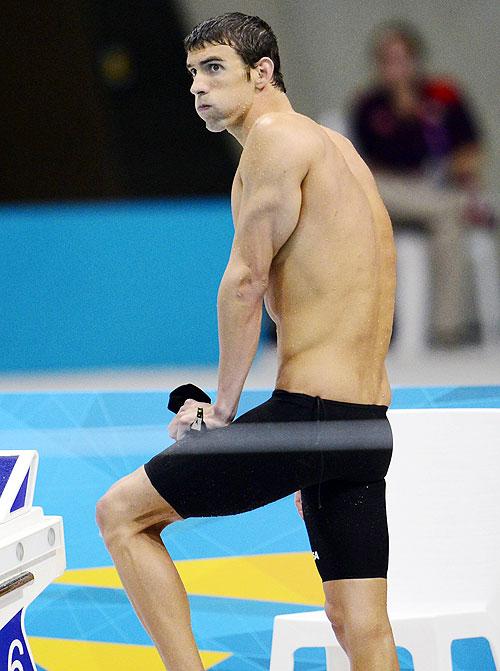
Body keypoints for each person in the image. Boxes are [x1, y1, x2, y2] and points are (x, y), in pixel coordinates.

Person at [95, 12, 399, 671]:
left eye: (213, 70)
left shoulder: (272, 142)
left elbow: (244, 283)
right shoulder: (337, 151)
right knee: (360, 625)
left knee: (121, 513)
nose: (198, 87)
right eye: (190, 74)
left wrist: (223, 410)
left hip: (313, 417)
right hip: (365, 424)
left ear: (262, 74)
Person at [351, 20, 489, 347]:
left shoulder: (443, 95)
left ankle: (447, 329)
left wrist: (453, 170)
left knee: (449, 221)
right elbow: (361, 164)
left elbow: (471, 149)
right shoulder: (368, 105)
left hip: (435, 193)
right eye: (388, 60)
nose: (396, 67)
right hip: (388, 194)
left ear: (415, 59)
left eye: (402, 58)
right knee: (450, 206)